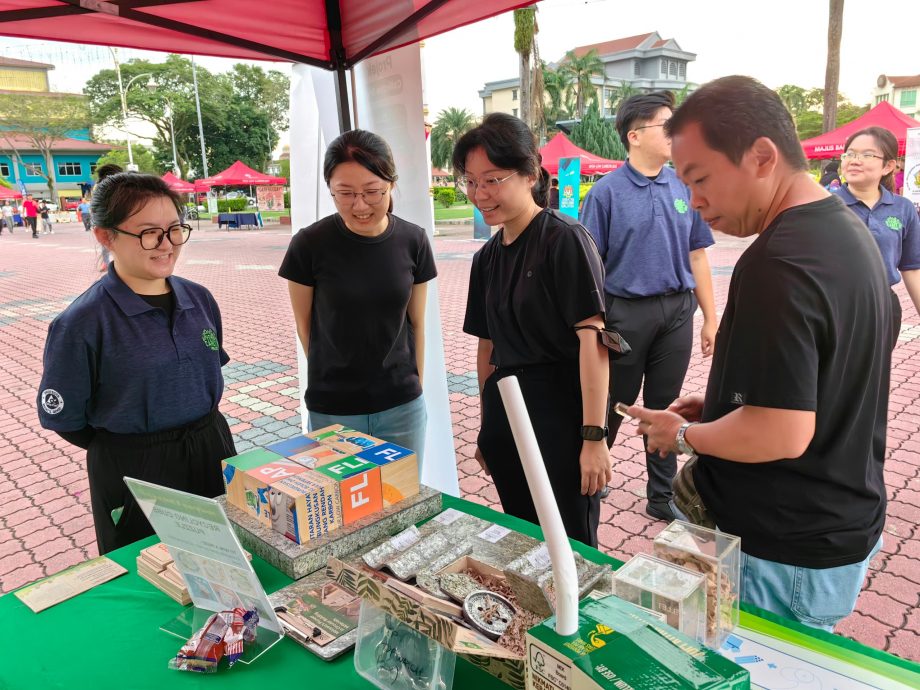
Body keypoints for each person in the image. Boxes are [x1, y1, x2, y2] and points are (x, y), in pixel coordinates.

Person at [629, 76, 891, 631]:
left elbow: (780, 432)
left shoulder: (777, 261)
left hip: (781, 548)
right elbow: (827, 374)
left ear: (762, 156)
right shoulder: (848, 231)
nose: (694, 203)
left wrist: (679, 436)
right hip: (833, 525)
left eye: (700, 180)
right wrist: (725, 402)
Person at [37, 172, 235, 554]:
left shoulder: (200, 299)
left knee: (228, 557)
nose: (167, 245)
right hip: (136, 469)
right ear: (105, 236)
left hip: (211, 448)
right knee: (150, 573)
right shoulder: (82, 323)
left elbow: (206, 368)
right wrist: (128, 445)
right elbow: (66, 419)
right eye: (149, 233)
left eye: (175, 229)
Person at [456, 113, 611, 547]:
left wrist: (594, 437)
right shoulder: (485, 258)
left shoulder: (564, 240)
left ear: (530, 174)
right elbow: (488, 348)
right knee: (525, 537)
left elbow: (594, 344)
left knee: (573, 544)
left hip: (562, 421)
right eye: (470, 181)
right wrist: (488, 428)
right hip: (508, 418)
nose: (480, 194)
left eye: (493, 179)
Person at [579, 91, 716, 521]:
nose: (675, 134)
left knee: (666, 406)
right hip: (624, 314)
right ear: (634, 135)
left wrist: (711, 317)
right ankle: (591, 484)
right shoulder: (606, 194)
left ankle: (661, 497)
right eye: (666, 126)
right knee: (612, 402)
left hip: (677, 312)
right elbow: (589, 267)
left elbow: (698, 255)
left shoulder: (683, 186)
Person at [279, 130, 436, 461]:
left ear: (390, 184)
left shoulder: (414, 240)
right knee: (339, 511)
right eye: (345, 193)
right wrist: (337, 379)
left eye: (372, 192)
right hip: (334, 410)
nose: (360, 205)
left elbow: (417, 323)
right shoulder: (309, 244)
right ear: (331, 191)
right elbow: (305, 326)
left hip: (401, 406)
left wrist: (414, 386)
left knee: (403, 506)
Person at [833, 127, 920, 328]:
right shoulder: (825, 205)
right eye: (850, 154)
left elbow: (912, 268)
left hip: (884, 309)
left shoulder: (902, 208)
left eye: (867, 155)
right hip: (833, 306)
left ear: (888, 166)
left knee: (879, 361)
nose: (855, 160)